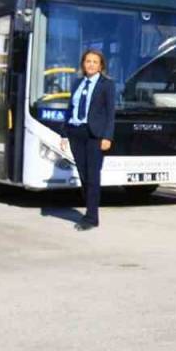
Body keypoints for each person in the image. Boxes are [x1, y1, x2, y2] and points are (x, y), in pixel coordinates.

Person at [59, 49, 116, 232]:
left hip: (95, 135)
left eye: (95, 62)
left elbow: (110, 113)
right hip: (76, 133)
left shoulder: (106, 85)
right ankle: (89, 211)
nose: (91, 64)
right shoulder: (77, 83)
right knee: (84, 175)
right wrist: (64, 133)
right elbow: (70, 108)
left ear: (101, 66)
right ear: (83, 64)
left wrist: (107, 136)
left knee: (93, 176)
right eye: (88, 61)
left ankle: (92, 217)